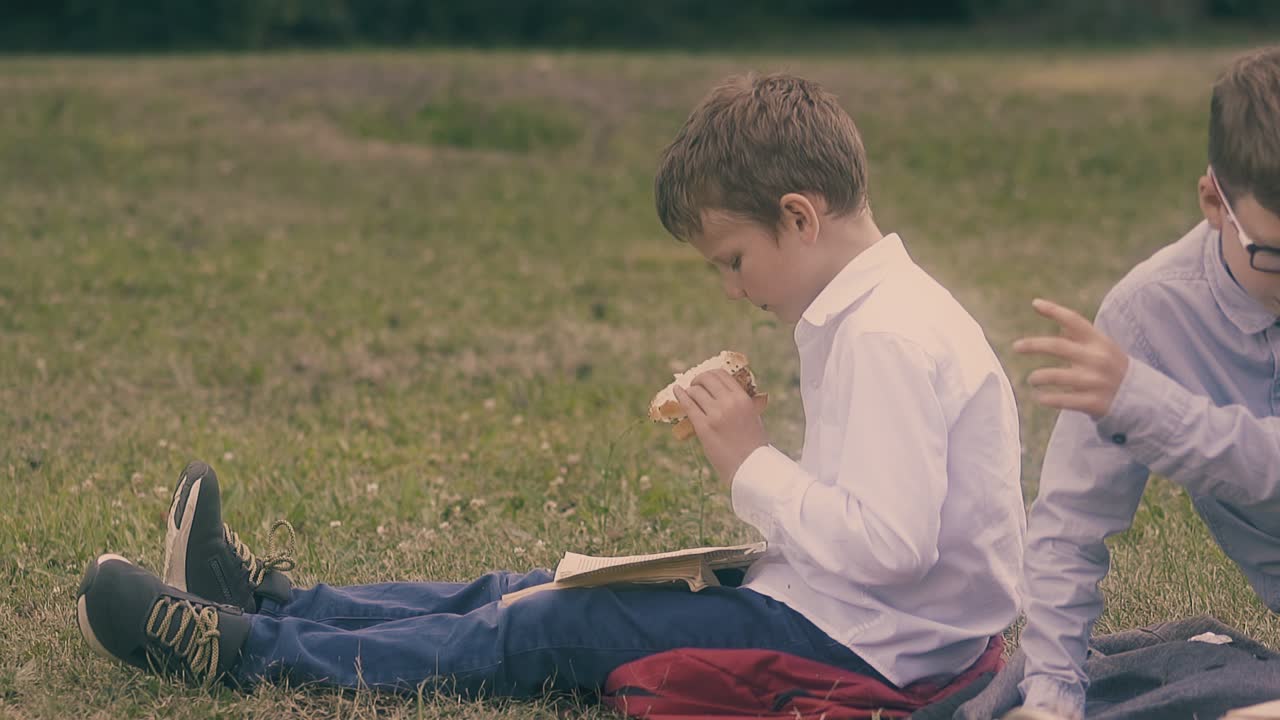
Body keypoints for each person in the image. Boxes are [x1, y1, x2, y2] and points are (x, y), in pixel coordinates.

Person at [74, 72, 1025, 700]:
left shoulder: (887, 336)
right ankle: (272, 601)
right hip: (838, 604)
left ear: (798, 216)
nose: (733, 290)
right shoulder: (865, 313)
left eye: (732, 261)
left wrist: (752, 464)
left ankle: (240, 655)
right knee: (536, 586)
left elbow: (895, 549)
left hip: (873, 647)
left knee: (550, 627)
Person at [1010, 46, 1280, 719]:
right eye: (1276, 256)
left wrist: (1145, 407)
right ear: (1214, 201)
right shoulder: (1148, 314)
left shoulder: (1133, 383)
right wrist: (1051, 699)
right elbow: (1070, 529)